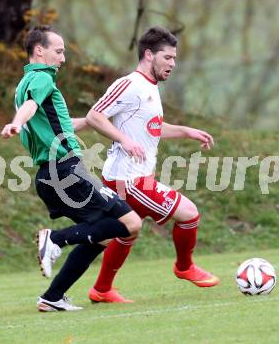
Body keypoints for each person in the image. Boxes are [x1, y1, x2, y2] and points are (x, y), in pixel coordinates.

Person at [0, 25, 142, 311]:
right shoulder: (41, 79)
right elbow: (30, 107)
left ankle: (52, 297)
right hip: (65, 171)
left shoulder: (25, 82)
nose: (63, 58)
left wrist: (90, 121)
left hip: (50, 175)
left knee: (101, 236)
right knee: (132, 224)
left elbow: (53, 122)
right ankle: (55, 239)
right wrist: (17, 121)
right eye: (59, 51)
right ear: (39, 50)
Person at [85, 26, 219, 303]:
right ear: (149, 55)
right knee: (189, 213)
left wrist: (186, 131)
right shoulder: (130, 84)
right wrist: (123, 140)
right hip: (128, 178)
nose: (172, 63)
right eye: (167, 57)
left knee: (127, 232)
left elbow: (152, 128)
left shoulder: (150, 88)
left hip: (134, 175)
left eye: (174, 59)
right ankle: (184, 267)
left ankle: (101, 289)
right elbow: (94, 116)